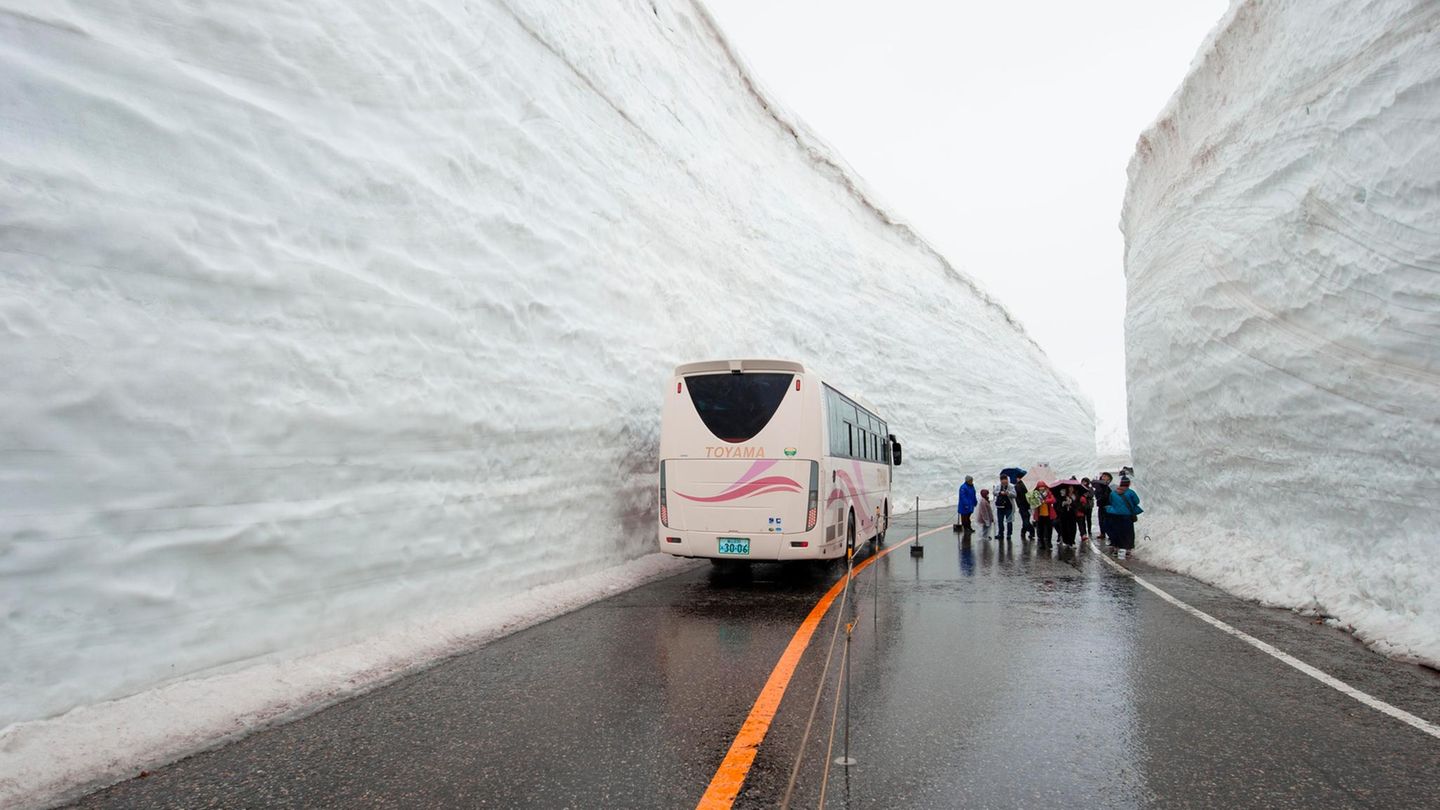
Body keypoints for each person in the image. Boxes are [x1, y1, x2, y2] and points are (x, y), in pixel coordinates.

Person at [1105, 476, 1143, 557]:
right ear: (1128, 484)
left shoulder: (1113, 493)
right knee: (1128, 533)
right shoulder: (1131, 492)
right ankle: (1128, 550)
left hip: (1115, 515)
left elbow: (1111, 502)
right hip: (1127, 515)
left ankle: (1116, 549)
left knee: (1116, 532)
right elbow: (1137, 501)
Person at [1028, 482, 1056, 547]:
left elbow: (1053, 500)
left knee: (1049, 529)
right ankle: (1042, 543)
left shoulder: (1049, 493)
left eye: (1043, 487)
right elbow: (1032, 502)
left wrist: (1046, 500)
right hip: (1039, 515)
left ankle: (1049, 542)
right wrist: (1038, 501)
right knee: (1040, 529)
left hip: (1048, 515)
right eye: (1040, 488)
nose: (1041, 489)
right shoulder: (1035, 494)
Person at [1092, 472, 1113, 543]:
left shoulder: (1110, 486)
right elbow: (1093, 484)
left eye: (1105, 476)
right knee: (1101, 520)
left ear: (1109, 478)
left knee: (1108, 521)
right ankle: (1102, 533)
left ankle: (1110, 534)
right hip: (1101, 504)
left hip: (1108, 505)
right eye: (1103, 476)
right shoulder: (1099, 485)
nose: (1103, 477)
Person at [994, 475, 1015, 540]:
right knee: (1000, 521)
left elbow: (1015, 495)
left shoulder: (1011, 486)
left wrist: (1008, 493)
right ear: (1000, 481)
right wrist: (1000, 493)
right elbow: (994, 492)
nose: (1004, 483)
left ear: (1007, 480)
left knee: (1009, 521)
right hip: (1000, 507)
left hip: (1008, 506)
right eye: (1002, 482)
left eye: (1005, 481)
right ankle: (1000, 533)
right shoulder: (998, 486)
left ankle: (1009, 534)